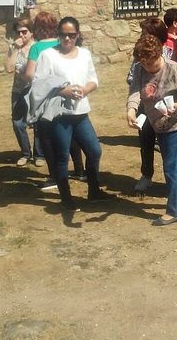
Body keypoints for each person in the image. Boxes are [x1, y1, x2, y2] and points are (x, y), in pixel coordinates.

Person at [34, 17, 114, 211]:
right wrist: (64, 91)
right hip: (60, 114)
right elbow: (39, 84)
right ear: (58, 35)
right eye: (63, 35)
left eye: (71, 35)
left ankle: (94, 191)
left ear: (77, 35)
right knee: (62, 156)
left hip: (81, 113)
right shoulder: (47, 55)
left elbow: (93, 79)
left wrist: (85, 90)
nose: (67, 39)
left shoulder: (84, 54)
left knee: (94, 151)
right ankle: (66, 197)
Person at [127, 35, 177, 226]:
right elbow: (135, 91)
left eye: (150, 63)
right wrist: (131, 109)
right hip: (159, 124)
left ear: (159, 55)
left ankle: (175, 211)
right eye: (143, 63)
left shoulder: (175, 69)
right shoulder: (139, 68)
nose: (147, 67)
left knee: (171, 166)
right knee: (176, 160)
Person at [23, 12, 86, 184]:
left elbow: (30, 75)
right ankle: (79, 170)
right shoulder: (63, 44)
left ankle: (54, 176)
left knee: (46, 137)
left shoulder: (37, 48)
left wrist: (22, 73)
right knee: (71, 134)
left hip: (47, 99)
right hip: (67, 97)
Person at [129, 17, 171, 192]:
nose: (142, 36)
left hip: (165, 106)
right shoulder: (141, 53)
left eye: (145, 33)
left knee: (168, 144)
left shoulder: (170, 51)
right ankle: (146, 175)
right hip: (144, 105)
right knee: (146, 141)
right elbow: (132, 78)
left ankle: (172, 178)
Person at [5, 17, 38, 166]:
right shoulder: (14, 47)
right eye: (18, 32)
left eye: (24, 32)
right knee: (18, 123)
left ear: (31, 32)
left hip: (35, 89)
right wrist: (16, 49)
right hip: (18, 90)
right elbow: (8, 68)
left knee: (38, 122)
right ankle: (25, 153)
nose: (21, 35)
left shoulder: (37, 47)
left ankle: (39, 154)